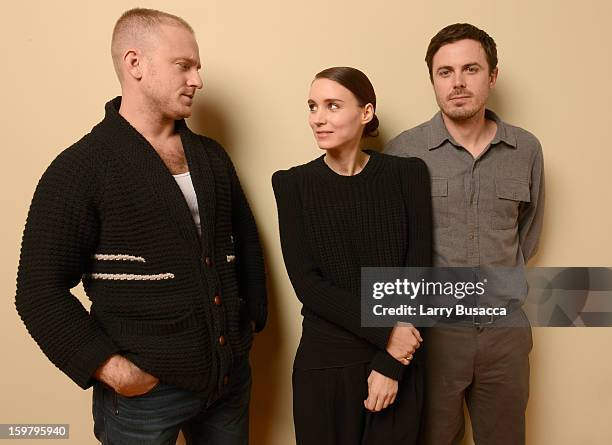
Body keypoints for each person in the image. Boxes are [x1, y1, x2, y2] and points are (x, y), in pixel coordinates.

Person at [15, 8, 266, 445]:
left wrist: (247, 332)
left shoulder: (210, 157)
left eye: (198, 67)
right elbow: (38, 290)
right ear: (135, 64)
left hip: (227, 383)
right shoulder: (81, 167)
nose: (197, 80)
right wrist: (111, 369)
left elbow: (243, 244)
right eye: (183, 65)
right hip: (144, 398)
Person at [385, 23, 545, 445]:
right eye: (444, 72)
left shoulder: (526, 149)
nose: (457, 83)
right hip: (433, 334)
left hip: (505, 334)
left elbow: (526, 234)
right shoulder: (405, 151)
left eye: (470, 69)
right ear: (433, 81)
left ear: (492, 76)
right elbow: (391, 246)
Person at [272, 67, 432, 444]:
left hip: (399, 363)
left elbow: (417, 268)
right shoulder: (292, 184)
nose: (318, 118)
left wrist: (391, 362)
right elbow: (308, 284)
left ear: (365, 113)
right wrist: (387, 333)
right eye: (312, 106)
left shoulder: (407, 174)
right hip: (326, 366)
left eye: (332, 105)